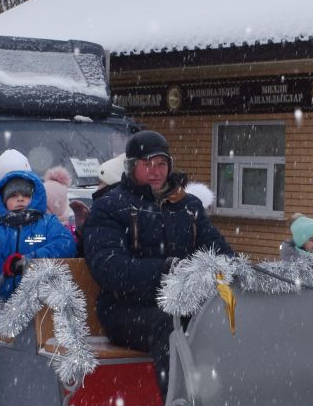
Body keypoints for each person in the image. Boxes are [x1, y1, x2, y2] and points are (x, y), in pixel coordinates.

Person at [80, 130, 233, 390]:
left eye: (161, 164)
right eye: (146, 164)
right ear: (131, 168)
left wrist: (235, 269)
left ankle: (227, 401)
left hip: (183, 302)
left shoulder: (188, 206)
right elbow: (108, 268)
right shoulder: (110, 207)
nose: (155, 171)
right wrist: (165, 270)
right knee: (170, 324)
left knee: (223, 317)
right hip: (124, 309)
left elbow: (219, 251)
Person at [0, 151, 78, 301]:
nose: (20, 199)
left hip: (42, 304)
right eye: (13, 195)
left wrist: (29, 261)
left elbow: (66, 246)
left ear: (34, 196)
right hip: (4, 306)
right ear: (3, 201)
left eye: (25, 195)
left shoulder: (48, 223)